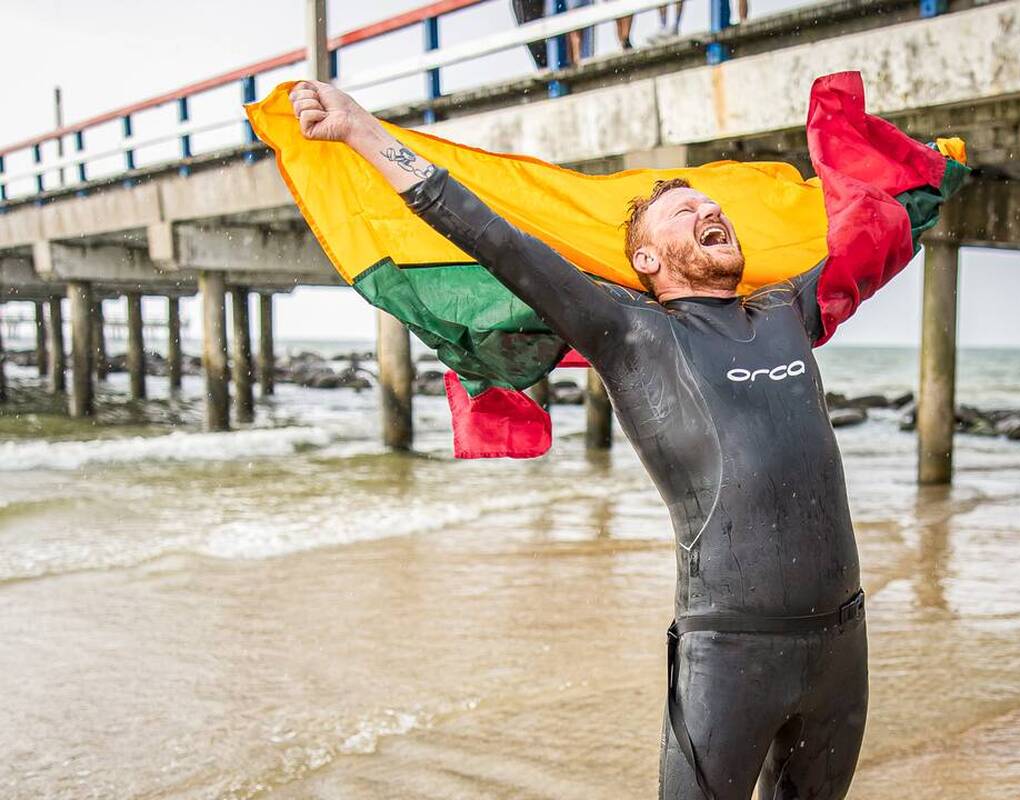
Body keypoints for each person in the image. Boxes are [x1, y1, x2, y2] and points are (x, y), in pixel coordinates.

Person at [286, 79, 946, 799]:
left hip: (841, 648)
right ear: (647, 262)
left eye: (711, 205)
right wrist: (359, 129)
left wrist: (920, 178)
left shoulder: (787, 307)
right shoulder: (629, 333)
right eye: (685, 211)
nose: (710, 209)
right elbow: (488, 234)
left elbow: (871, 236)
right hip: (728, 656)